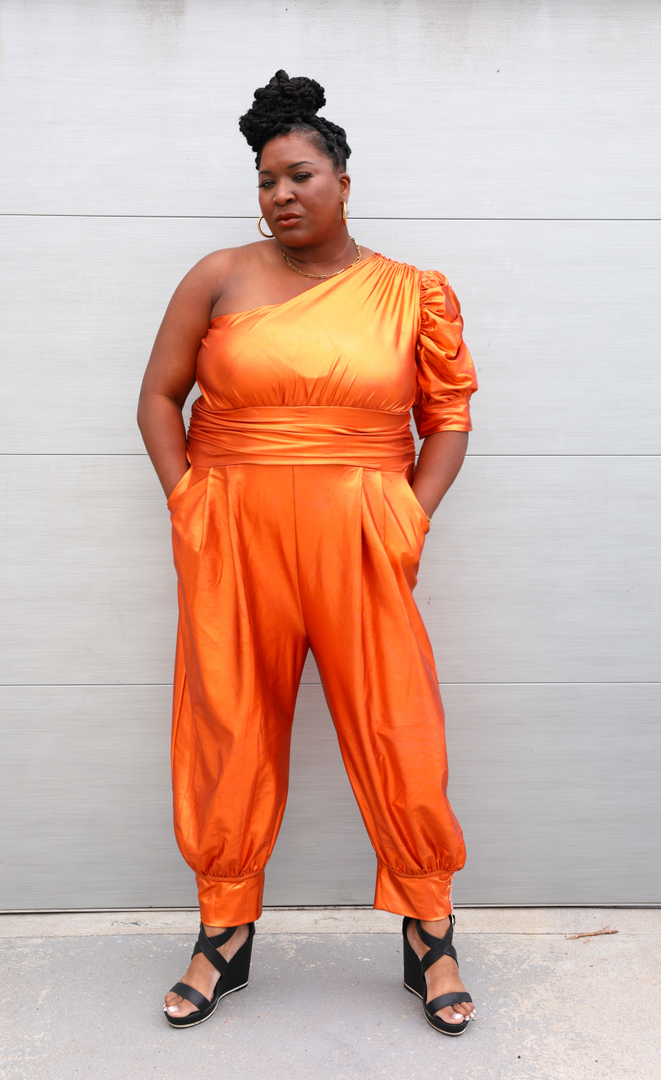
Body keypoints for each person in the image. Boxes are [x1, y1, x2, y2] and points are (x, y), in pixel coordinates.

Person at [137, 70, 477, 1036]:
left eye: (298, 175)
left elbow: (448, 418)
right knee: (228, 723)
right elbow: (158, 397)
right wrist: (189, 499)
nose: (280, 195)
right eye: (265, 181)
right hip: (233, 529)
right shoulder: (217, 275)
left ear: (342, 182)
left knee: (397, 724)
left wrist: (409, 514)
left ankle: (430, 929)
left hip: (362, 531)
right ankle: (223, 931)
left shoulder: (412, 292)